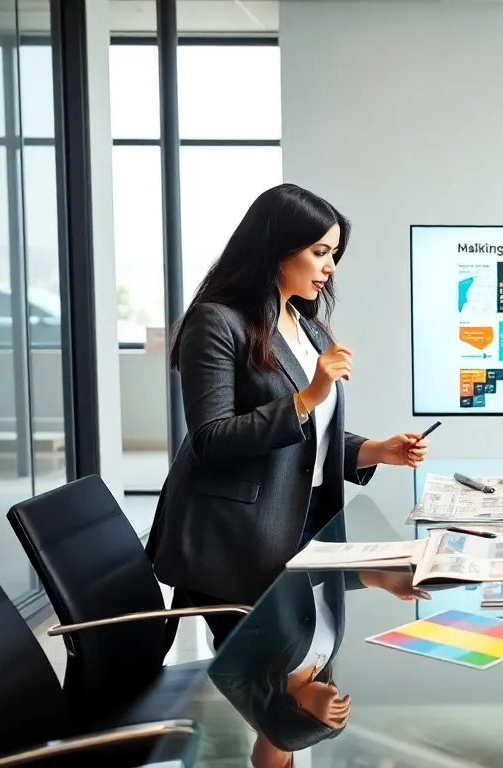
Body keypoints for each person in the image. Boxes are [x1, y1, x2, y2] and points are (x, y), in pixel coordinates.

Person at [146, 183, 431, 645]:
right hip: (238, 541)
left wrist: (376, 451)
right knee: (272, 672)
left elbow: (308, 440)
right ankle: (290, 718)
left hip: (310, 523)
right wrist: (308, 395)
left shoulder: (307, 325)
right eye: (320, 251)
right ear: (277, 248)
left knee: (311, 657)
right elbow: (211, 440)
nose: (330, 267)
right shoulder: (216, 322)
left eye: (333, 253)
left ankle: (295, 715)